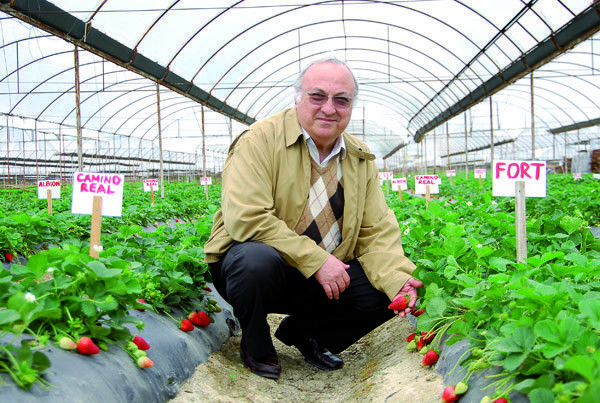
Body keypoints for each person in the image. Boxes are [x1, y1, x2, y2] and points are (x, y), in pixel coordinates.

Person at [204, 58, 423, 380]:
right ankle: (255, 341)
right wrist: (316, 260)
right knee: (254, 261)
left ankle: (307, 332)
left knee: (386, 287)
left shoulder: (359, 157)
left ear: (351, 106)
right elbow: (246, 218)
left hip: (321, 279)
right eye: (317, 96)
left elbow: (375, 231)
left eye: (341, 100)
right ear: (298, 98)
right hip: (265, 272)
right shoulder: (259, 140)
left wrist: (397, 280)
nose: (329, 108)